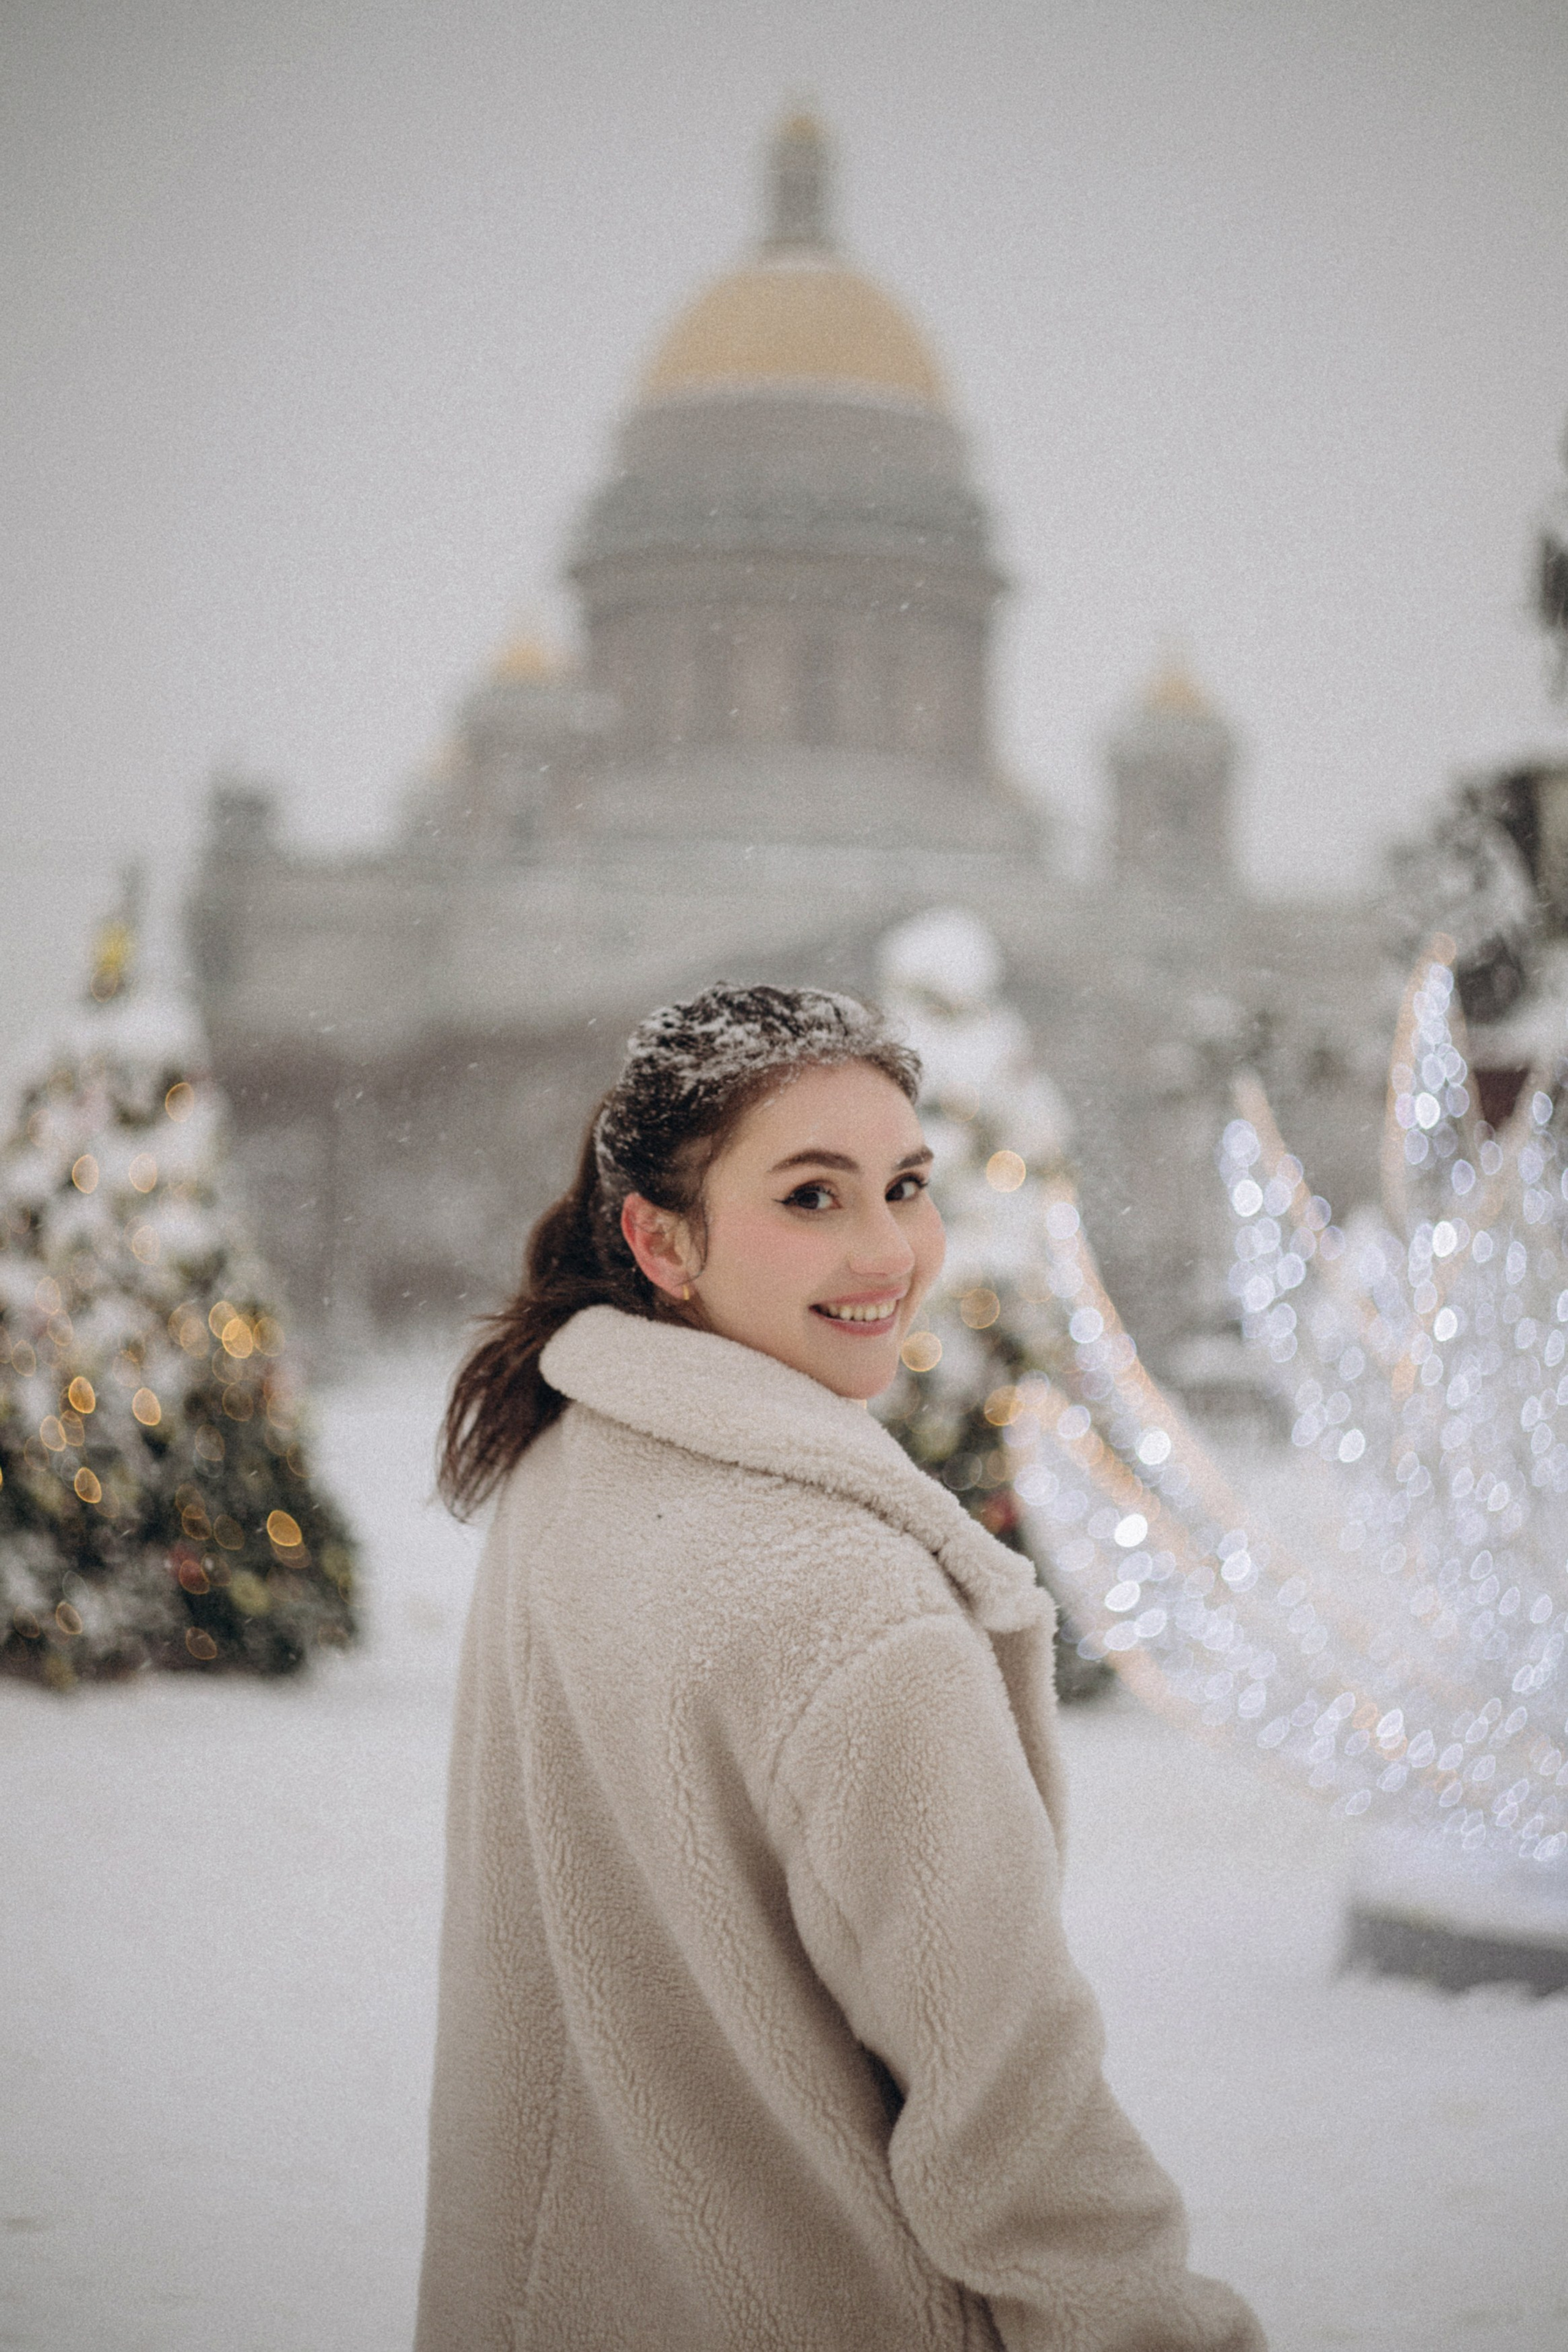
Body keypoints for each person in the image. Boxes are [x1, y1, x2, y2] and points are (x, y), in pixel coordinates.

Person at [415, 982, 1264, 2352]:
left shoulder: (571, 1464)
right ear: (661, 1241)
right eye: (812, 1197)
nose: (888, 1252)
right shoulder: (850, 1604)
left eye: (906, 1187)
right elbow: (1019, 2134)